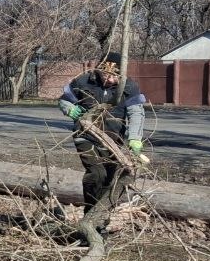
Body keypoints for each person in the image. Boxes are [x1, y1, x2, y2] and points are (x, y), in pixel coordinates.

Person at [57, 51, 147, 214]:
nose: (110, 79)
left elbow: (136, 113)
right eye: (107, 75)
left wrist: (135, 139)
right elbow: (64, 99)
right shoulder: (83, 81)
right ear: (99, 70)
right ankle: (90, 215)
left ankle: (101, 219)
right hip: (86, 136)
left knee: (110, 178)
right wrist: (70, 109)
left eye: (115, 76)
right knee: (96, 173)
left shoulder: (128, 86)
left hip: (113, 141)